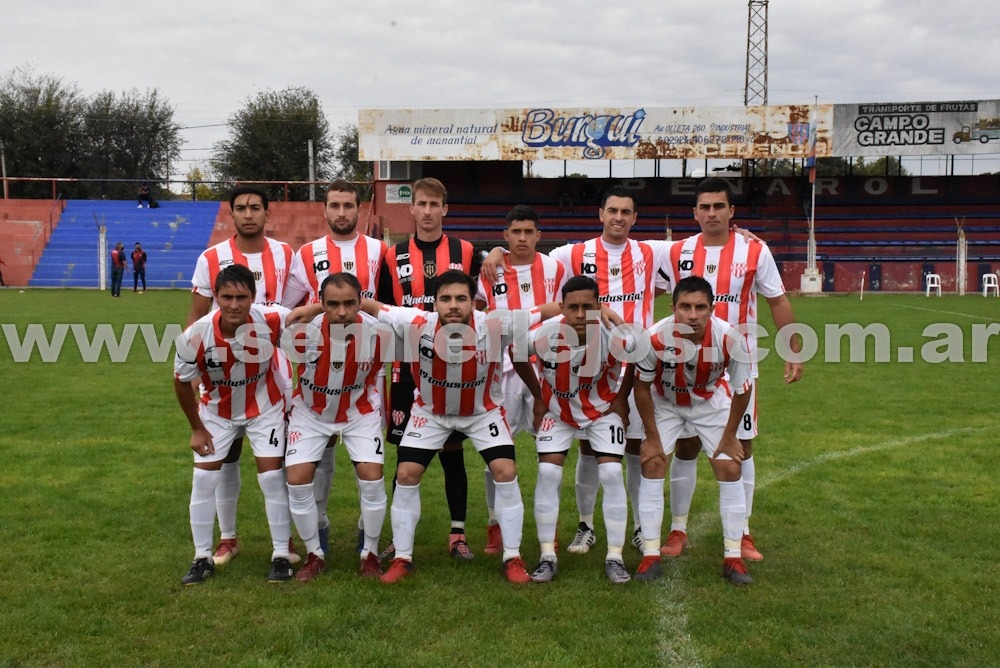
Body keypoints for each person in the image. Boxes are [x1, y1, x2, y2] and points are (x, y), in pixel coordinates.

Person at [482, 185, 671, 556]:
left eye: (626, 212)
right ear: (600, 214)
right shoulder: (571, 254)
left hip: (629, 364)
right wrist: (494, 251)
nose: (618, 217)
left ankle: (635, 526)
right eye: (612, 210)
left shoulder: (656, 250)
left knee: (632, 449)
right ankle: (585, 525)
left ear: (635, 217)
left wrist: (740, 232)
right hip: (566, 365)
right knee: (582, 449)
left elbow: (702, 243)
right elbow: (525, 253)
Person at [361, 270, 557, 584]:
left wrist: (596, 309)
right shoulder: (415, 322)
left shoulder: (494, 324)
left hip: (482, 414)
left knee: (505, 471)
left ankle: (513, 557)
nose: (454, 305)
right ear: (434, 303)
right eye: (446, 299)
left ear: (473, 303)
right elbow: (366, 305)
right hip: (431, 413)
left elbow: (548, 309)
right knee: (406, 473)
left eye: (461, 299)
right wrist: (310, 310)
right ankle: (402, 558)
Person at [657, 177, 803, 562]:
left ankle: (743, 532)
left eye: (718, 206)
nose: (711, 213)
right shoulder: (676, 252)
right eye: (704, 207)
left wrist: (792, 346)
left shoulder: (755, 251)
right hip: (685, 367)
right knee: (685, 446)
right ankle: (678, 528)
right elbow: (630, 272)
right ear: (695, 213)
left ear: (731, 211)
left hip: (737, 366)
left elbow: (776, 299)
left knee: (741, 447)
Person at [187, 186, 296, 567]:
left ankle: (285, 542)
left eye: (255, 208)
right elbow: (197, 316)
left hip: (273, 373)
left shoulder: (285, 252)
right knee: (226, 457)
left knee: (274, 464)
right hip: (222, 374)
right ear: (231, 214)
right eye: (240, 209)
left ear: (268, 212)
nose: (248, 214)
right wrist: (198, 368)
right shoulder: (212, 257)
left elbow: (294, 309)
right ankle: (227, 538)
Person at [376, 177, 481, 562]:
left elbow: (479, 302)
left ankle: (458, 533)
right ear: (412, 208)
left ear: (445, 209)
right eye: (421, 204)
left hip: (455, 364)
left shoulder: (466, 251)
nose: (428, 211)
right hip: (408, 367)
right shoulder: (392, 255)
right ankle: (398, 537)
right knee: (406, 455)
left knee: (453, 451)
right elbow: (384, 311)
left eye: (435, 204)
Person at [281, 179, 388, 558]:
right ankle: (319, 526)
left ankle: (368, 532)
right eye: (335, 205)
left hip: (364, 362)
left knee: (368, 465)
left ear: (359, 209)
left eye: (348, 205)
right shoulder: (306, 253)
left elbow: (390, 309)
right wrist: (312, 313)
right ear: (324, 210)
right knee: (318, 456)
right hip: (316, 364)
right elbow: (290, 307)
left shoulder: (379, 250)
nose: (341, 212)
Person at [173, 264, 295, 585]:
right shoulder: (194, 336)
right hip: (217, 412)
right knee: (203, 479)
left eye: (242, 297)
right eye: (227, 297)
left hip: (264, 407)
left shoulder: (270, 318)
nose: (234, 304)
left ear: (253, 297)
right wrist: (197, 428)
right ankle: (201, 558)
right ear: (215, 297)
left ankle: (281, 555)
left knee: (271, 477)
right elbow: (181, 383)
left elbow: (300, 317)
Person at [633, 276, 754, 585]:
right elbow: (642, 388)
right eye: (685, 307)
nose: (693, 314)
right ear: (673, 308)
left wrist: (729, 437)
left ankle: (733, 557)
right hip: (666, 401)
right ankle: (650, 555)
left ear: (711, 309)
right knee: (653, 460)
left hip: (709, 400)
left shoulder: (729, 339)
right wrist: (652, 436)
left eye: (700, 307)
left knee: (729, 466)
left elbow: (742, 389)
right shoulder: (653, 338)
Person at [514, 275, 635, 584]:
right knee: (549, 473)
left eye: (588, 307)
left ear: (599, 306)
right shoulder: (545, 334)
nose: (580, 315)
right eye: (573, 307)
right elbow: (517, 354)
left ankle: (615, 557)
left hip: (602, 411)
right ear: (562, 309)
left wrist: (622, 399)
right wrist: (539, 397)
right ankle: (547, 556)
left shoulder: (613, 334)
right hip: (558, 411)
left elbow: (637, 353)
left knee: (610, 473)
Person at [474, 205, 566, 555]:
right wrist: (494, 256)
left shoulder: (555, 267)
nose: (523, 238)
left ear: (539, 235)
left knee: (551, 453)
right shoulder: (490, 269)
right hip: (503, 373)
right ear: (506, 235)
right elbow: (479, 311)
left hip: (547, 369)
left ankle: (550, 526)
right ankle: (495, 524)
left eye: (529, 231)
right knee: (497, 451)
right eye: (516, 232)